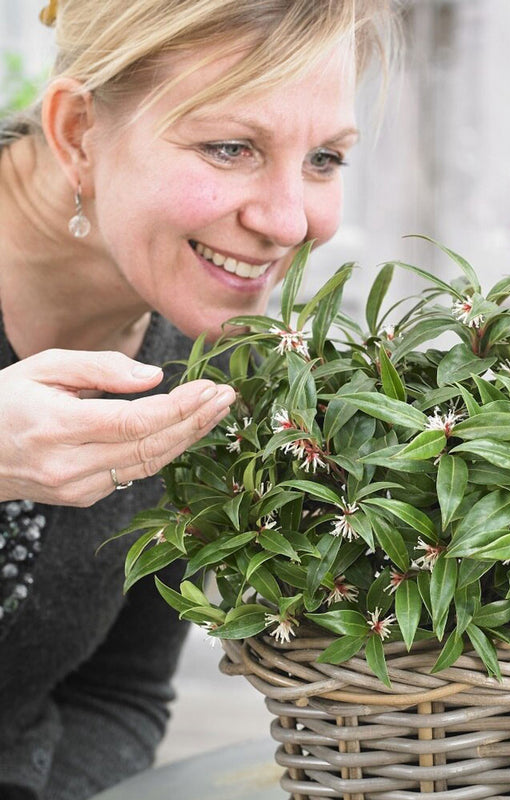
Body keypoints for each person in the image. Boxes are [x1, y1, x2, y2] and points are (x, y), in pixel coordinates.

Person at [0, 1, 396, 797]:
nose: (287, 221)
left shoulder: (201, 358)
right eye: (229, 147)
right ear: (79, 132)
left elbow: (117, 696)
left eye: (324, 158)